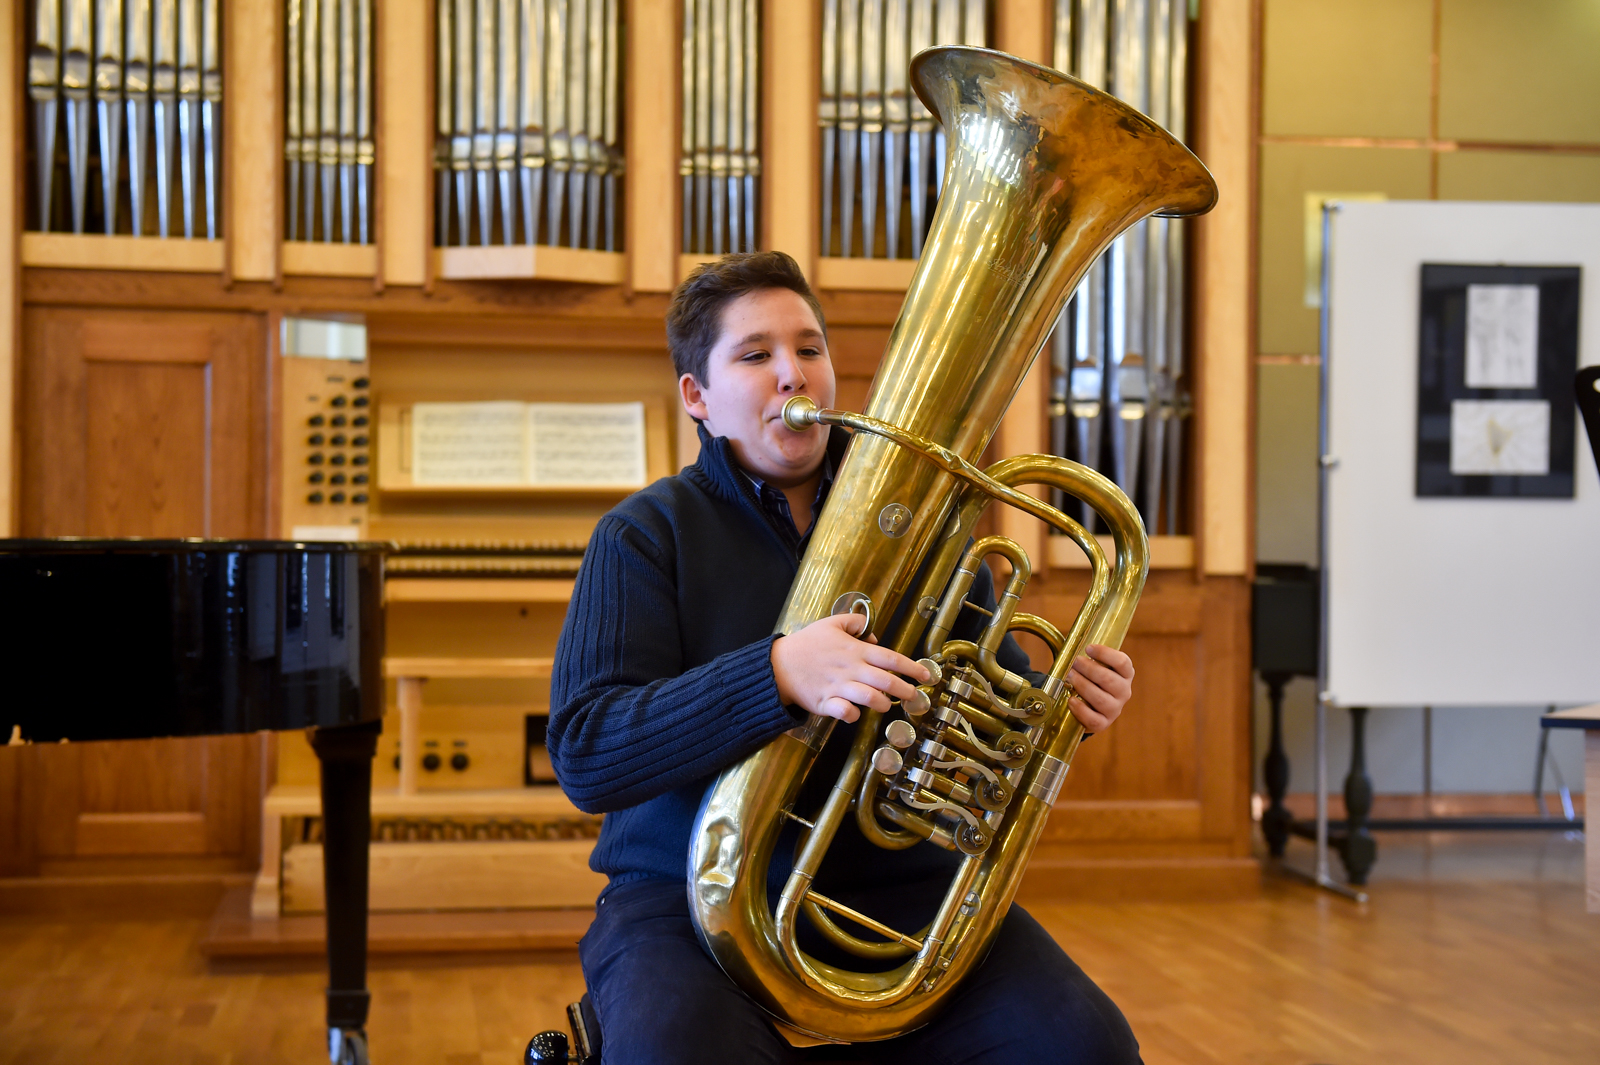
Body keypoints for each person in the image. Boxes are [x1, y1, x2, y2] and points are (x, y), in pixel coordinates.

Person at [549, 251, 1141, 1064]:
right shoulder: (645, 535)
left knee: (1083, 1043)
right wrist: (779, 673)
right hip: (683, 897)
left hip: (905, 892)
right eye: (755, 356)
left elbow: (998, 704)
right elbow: (587, 750)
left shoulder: (923, 524)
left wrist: (1062, 699)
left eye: (810, 348)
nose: (793, 374)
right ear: (698, 397)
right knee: (673, 1049)